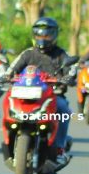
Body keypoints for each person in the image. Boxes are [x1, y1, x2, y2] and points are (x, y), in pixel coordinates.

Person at [5, 17, 73, 166]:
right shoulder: (28, 53)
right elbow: (11, 70)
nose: (43, 38)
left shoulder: (61, 54)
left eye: (47, 35)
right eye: (40, 35)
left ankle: (60, 149)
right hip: (27, 96)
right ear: (34, 35)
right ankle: (8, 143)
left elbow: (71, 71)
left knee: (63, 110)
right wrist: (5, 76)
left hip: (53, 96)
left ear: (54, 36)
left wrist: (68, 78)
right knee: (8, 103)